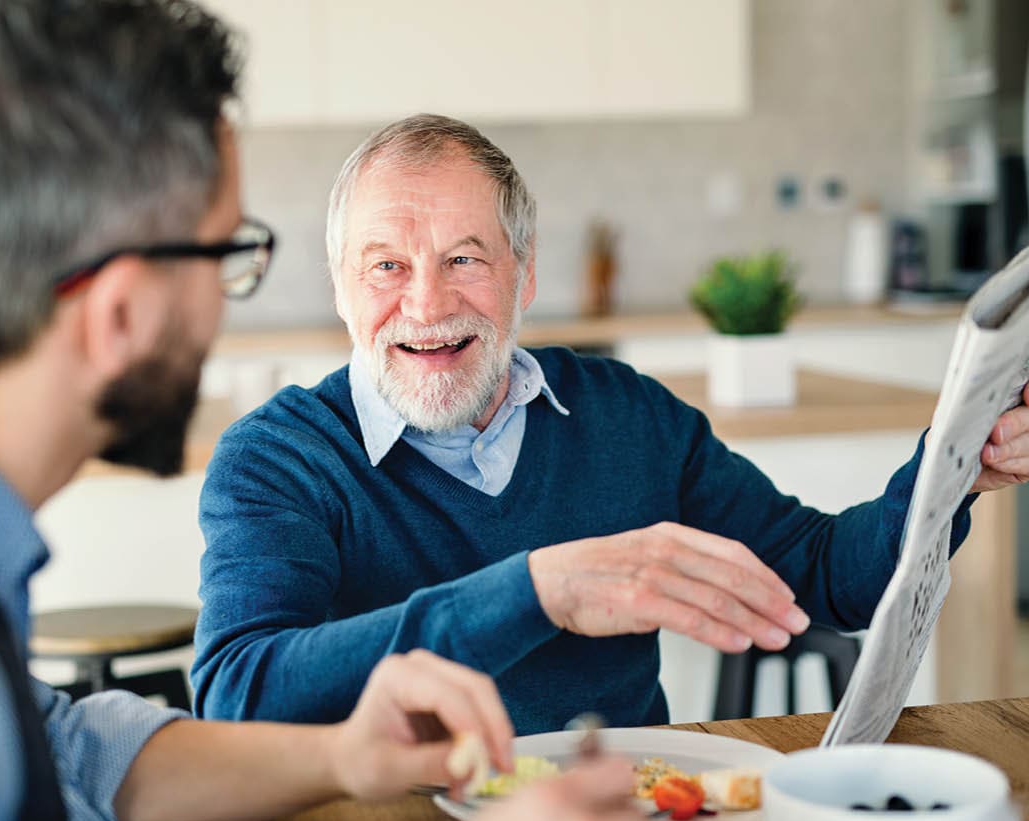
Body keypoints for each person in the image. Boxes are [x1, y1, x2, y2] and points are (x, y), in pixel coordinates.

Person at [0, 6, 645, 821]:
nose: (223, 305)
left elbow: (69, 750)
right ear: (122, 314)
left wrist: (337, 754)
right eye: (226, 256)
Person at [192, 113, 1029, 735]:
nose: (428, 303)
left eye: (465, 258)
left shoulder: (627, 417)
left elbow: (824, 575)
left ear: (522, 276)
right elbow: (240, 694)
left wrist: (954, 463)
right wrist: (538, 591)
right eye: (387, 266)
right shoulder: (281, 459)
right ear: (341, 289)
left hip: (624, 815)